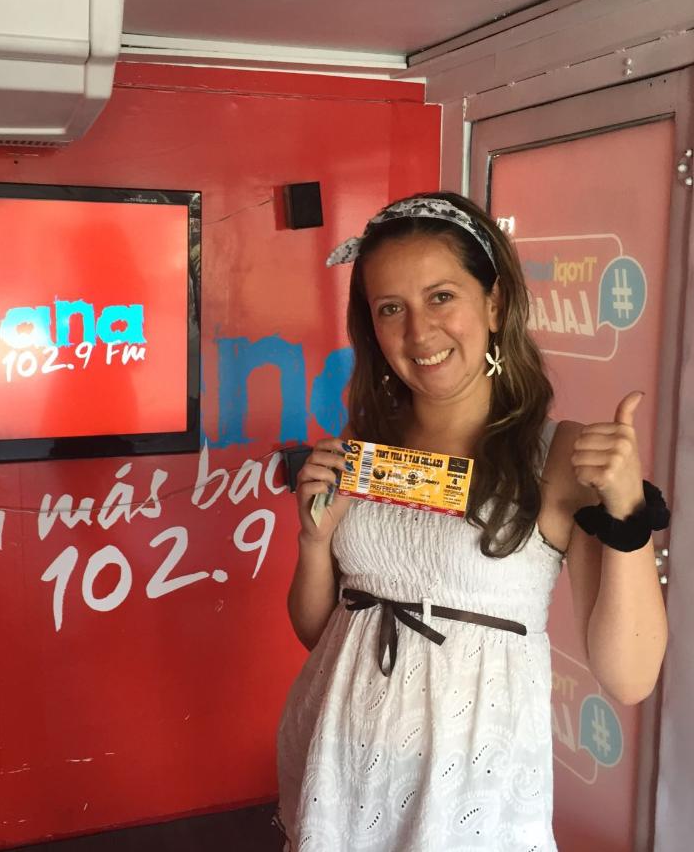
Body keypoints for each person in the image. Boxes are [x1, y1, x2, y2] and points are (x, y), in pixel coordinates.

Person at [275, 192, 669, 851]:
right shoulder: (366, 447)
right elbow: (324, 632)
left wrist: (627, 513)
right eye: (390, 308)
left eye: (441, 297)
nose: (418, 332)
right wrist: (315, 542)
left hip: (468, 797)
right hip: (339, 771)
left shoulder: (559, 457)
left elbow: (629, 677)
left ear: (494, 303)